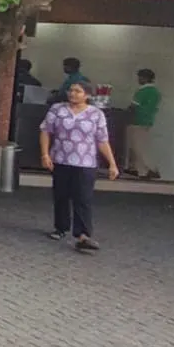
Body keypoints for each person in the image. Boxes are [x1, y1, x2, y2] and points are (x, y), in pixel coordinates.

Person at [40, 80, 121, 252]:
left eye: (78, 91)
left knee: (83, 197)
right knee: (61, 195)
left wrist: (112, 164)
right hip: (61, 159)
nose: (73, 94)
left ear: (87, 95)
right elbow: (46, 131)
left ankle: (83, 234)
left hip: (85, 162)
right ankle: (60, 227)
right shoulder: (57, 110)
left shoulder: (96, 114)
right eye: (71, 90)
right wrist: (45, 154)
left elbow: (102, 140)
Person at [126, 69, 163, 180]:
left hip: (138, 120)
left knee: (138, 147)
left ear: (145, 78)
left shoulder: (143, 91)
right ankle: (139, 170)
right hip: (147, 120)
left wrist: (125, 115)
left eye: (140, 77)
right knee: (139, 145)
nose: (139, 79)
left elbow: (133, 106)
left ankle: (151, 169)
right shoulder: (156, 92)